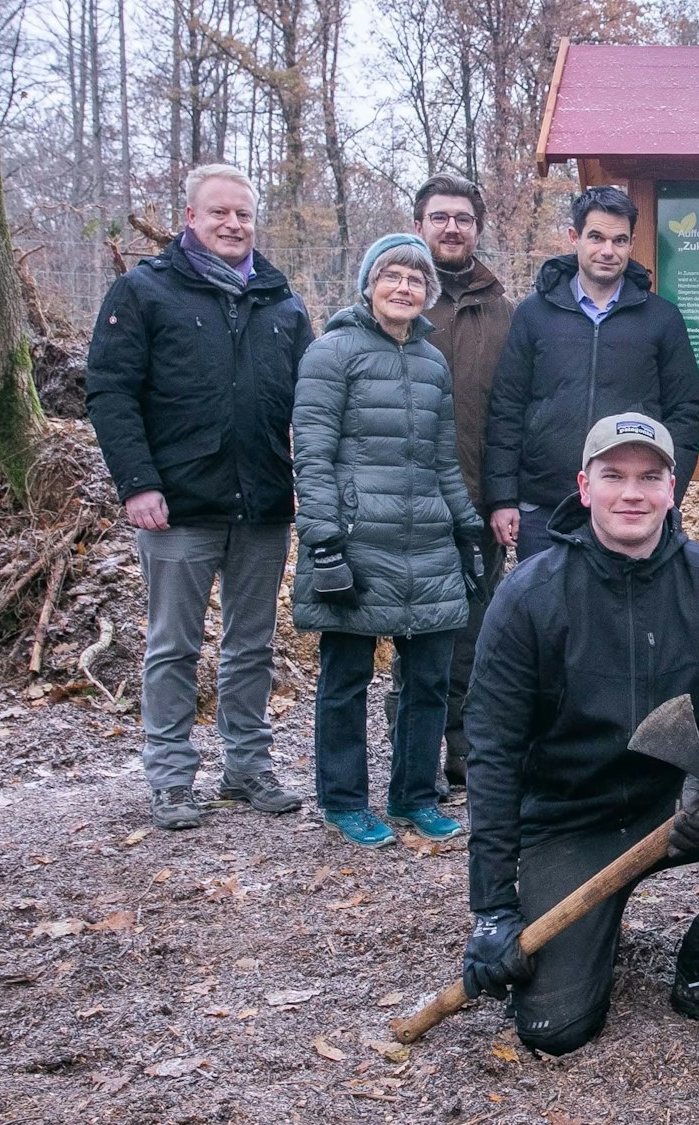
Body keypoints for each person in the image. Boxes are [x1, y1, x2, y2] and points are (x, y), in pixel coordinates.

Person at [460, 413, 699, 1054]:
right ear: (584, 486)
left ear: (672, 488)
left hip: (681, 806)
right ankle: (589, 924)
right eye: (614, 476)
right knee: (555, 1032)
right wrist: (491, 906)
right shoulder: (530, 595)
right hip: (570, 822)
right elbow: (491, 753)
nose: (632, 492)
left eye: (649, 477)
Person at [86, 163, 311, 831]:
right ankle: (172, 777)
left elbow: (313, 402)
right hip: (176, 504)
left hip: (265, 503)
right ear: (189, 217)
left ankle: (246, 765)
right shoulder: (144, 291)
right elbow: (110, 392)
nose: (233, 224)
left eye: (243, 214)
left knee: (251, 645)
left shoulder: (283, 302)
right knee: (172, 646)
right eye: (219, 213)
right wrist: (138, 482)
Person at [291, 234, 483, 849]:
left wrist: (466, 527)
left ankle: (413, 795)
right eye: (392, 276)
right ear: (369, 284)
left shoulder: (432, 360)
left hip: (426, 539)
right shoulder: (332, 351)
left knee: (427, 677)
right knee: (345, 678)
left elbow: (442, 458)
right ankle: (343, 800)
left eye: (416, 279)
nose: (405, 287)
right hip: (356, 537)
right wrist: (323, 543)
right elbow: (312, 457)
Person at [377, 173, 516, 798]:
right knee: (411, 634)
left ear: (477, 227)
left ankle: (465, 753)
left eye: (462, 217)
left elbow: (513, 411)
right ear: (420, 223)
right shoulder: (397, 300)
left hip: (475, 501)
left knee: (472, 632)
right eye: (439, 217)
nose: (452, 228)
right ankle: (410, 758)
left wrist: (501, 495)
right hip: (399, 502)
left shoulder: (500, 310)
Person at [481, 185, 699, 562]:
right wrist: (503, 497)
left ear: (631, 243)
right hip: (543, 508)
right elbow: (507, 407)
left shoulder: (661, 319)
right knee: (547, 618)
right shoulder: (534, 314)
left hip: (628, 508)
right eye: (596, 237)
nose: (608, 251)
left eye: (619, 240)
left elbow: (686, 412)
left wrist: (666, 491)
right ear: (575, 237)